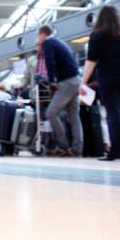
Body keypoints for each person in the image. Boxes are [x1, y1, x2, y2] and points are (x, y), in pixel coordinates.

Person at [81, 6, 120, 161]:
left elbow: (91, 60)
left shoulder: (97, 35)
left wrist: (83, 82)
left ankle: (117, 151)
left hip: (109, 77)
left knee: (114, 113)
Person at [37, 25, 83, 156]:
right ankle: (77, 148)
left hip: (67, 81)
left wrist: (52, 81)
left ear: (42, 34)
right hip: (75, 80)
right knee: (74, 116)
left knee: (51, 112)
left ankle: (63, 145)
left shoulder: (48, 43)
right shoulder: (58, 42)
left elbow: (50, 63)